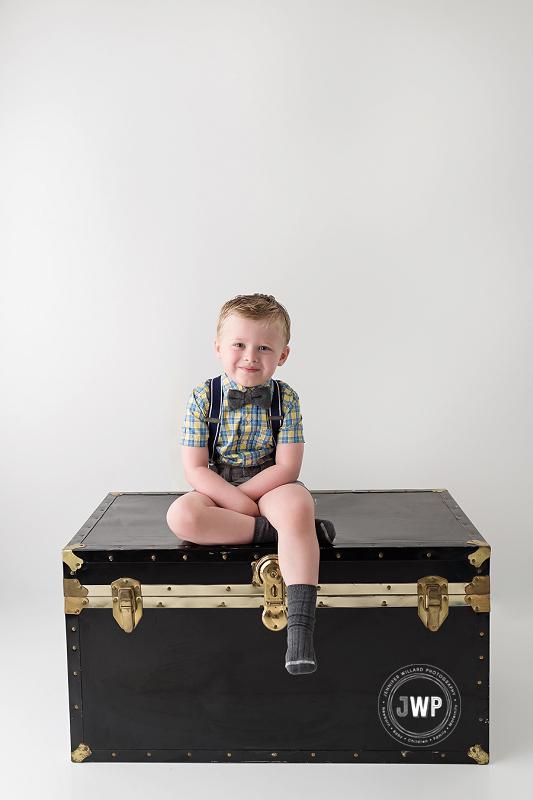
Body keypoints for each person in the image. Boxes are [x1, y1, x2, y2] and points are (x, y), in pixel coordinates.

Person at [166, 293, 336, 675]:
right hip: (217, 485)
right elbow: (195, 469)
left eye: (264, 347)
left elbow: (287, 466)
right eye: (239, 345)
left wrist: (250, 498)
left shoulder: (285, 398)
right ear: (218, 348)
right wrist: (236, 502)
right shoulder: (202, 397)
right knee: (182, 517)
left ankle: (300, 632)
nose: (250, 356)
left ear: (283, 355)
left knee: (295, 505)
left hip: (271, 483)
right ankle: (288, 533)